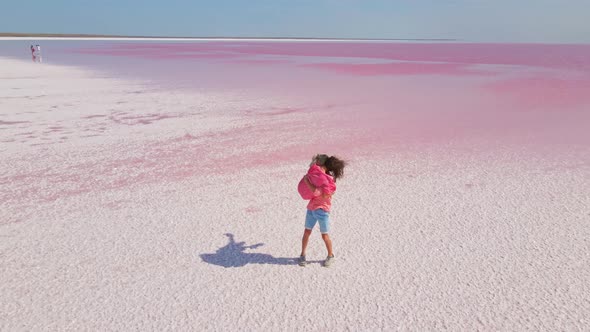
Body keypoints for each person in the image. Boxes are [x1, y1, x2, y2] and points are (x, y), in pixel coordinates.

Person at [298, 154, 346, 267]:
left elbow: (322, 194)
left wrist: (307, 181)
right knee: (306, 232)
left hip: (323, 211)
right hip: (311, 208)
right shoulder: (320, 177)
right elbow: (314, 167)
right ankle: (302, 255)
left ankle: (331, 256)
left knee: (325, 235)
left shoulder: (328, 181)